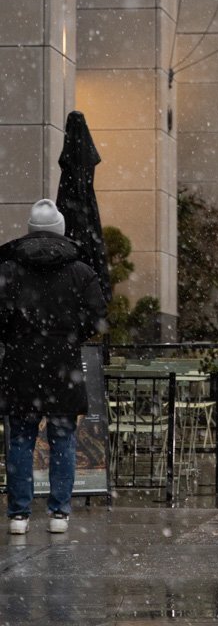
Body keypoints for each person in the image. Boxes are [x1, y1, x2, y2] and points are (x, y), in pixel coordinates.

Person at [0, 198, 107, 535]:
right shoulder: (81, 271)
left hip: (21, 364)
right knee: (63, 439)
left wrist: (17, 335)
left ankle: (19, 514)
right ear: (60, 231)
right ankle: (59, 512)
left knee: (20, 439)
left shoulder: (8, 269)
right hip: (64, 365)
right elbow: (97, 317)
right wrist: (69, 335)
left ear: (30, 231)